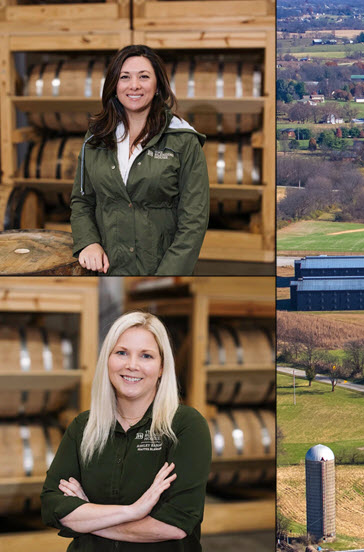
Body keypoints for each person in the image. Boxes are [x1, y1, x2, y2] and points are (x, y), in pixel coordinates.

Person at [41, 312, 211, 551]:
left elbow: (175, 524)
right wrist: (133, 511)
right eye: (121, 353)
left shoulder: (185, 426)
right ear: (107, 360)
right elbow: (51, 506)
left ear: (162, 367)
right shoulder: (83, 427)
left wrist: (88, 519)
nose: (132, 365)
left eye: (146, 355)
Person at [71, 44, 209, 275]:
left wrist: (166, 277)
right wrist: (88, 242)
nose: (134, 85)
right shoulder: (95, 137)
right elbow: (82, 200)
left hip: (160, 270)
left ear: (157, 86)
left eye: (144, 77)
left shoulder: (183, 140)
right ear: (114, 85)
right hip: (106, 270)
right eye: (125, 77)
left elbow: (194, 221)